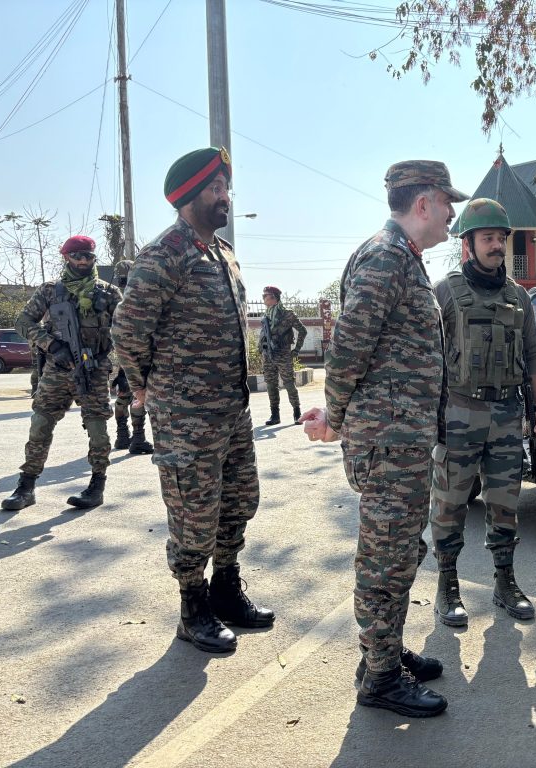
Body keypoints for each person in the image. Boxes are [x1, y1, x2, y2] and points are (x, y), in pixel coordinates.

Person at [300, 160, 466, 718]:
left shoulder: (403, 258)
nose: (452, 214)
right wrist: (337, 417)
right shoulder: (385, 256)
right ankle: (379, 678)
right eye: (448, 203)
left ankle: (385, 651)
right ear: (424, 203)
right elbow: (348, 348)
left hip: (403, 437)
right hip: (387, 440)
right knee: (385, 558)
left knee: (398, 551)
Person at [112, 147, 273, 654]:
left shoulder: (222, 253)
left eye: (227, 187)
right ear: (190, 196)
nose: (226, 196)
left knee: (240, 501)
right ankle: (192, 606)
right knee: (193, 514)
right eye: (217, 188)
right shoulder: (165, 254)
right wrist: (142, 386)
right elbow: (128, 330)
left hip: (231, 409)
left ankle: (226, 589)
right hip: (185, 414)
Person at [429, 197, 536, 627]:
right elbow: (431, 357)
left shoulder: (520, 297)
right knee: (450, 503)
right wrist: (432, 416)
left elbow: (532, 355)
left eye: (500, 238)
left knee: (505, 503)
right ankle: (447, 585)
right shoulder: (445, 291)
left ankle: (505, 581)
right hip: (458, 411)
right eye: (488, 238)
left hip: (506, 414)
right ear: (468, 244)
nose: (497, 245)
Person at [1, 235, 122, 512]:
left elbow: (127, 331)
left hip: (94, 370)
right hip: (58, 369)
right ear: (66, 258)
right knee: (40, 424)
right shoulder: (50, 291)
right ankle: (26, 486)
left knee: (97, 428)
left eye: (88, 256)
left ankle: (96, 485)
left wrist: (125, 371)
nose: (83, 261)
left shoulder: (109, 293)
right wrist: (52, 344)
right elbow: (23, 322)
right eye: (77, 256)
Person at [109, 259, 153, 455]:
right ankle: (138, 437)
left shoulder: (115, 298)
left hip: (122, 354)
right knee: (138, 395)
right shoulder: (137, 297)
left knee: (123, 394)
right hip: (141, 355)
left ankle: (121, 435)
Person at [260, 285, 307, 426]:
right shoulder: (266, 316)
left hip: (283, 355)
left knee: (289, 384)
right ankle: (275, 415)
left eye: (265, 296)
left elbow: (303, 331)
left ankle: (297, 412)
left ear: (274, 298)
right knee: (271, 385)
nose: (263, 299)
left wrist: (296, 350)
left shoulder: (288, 314)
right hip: (268, 355)